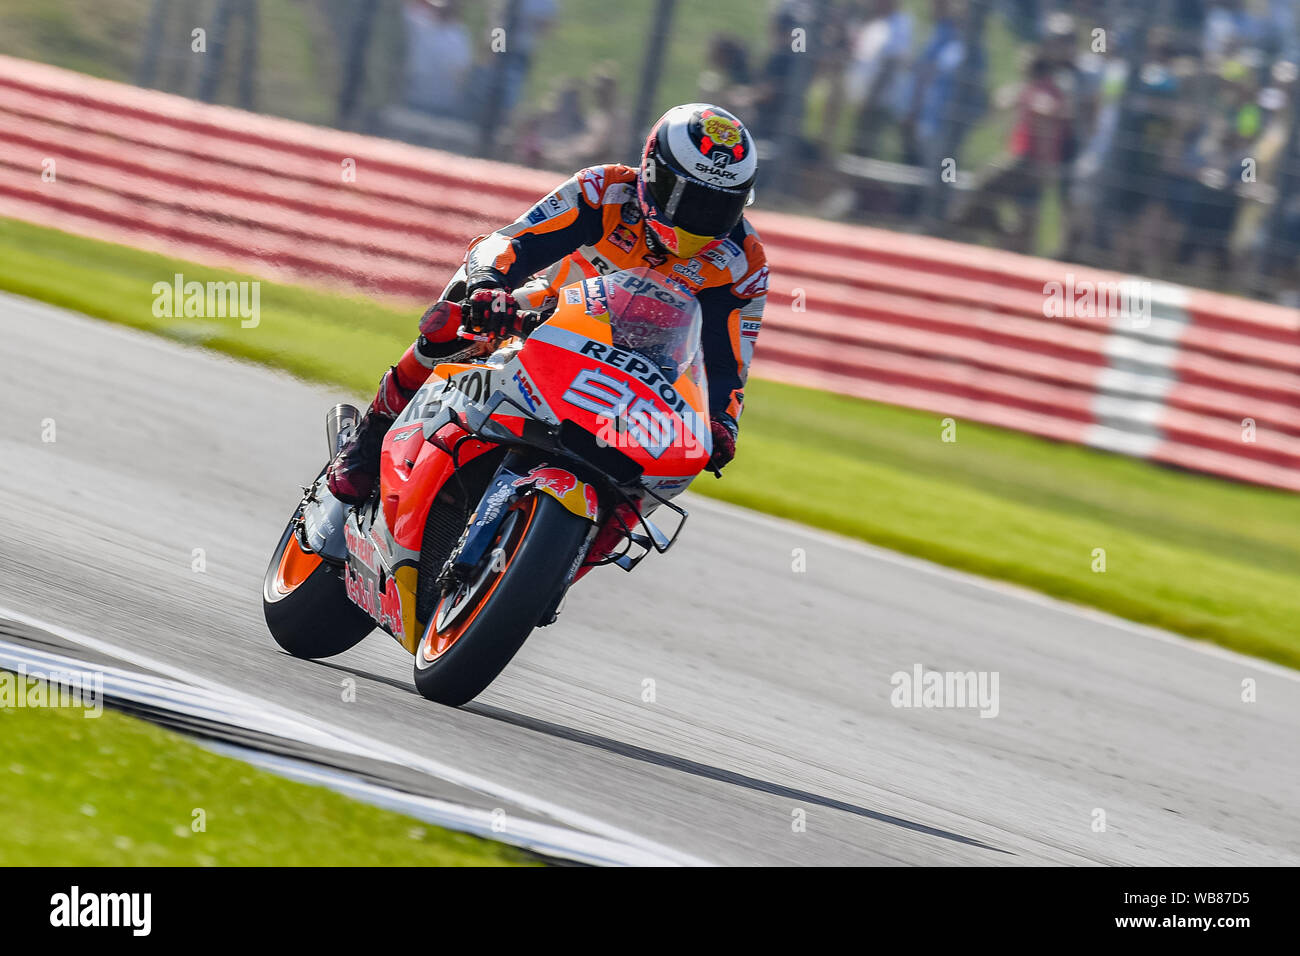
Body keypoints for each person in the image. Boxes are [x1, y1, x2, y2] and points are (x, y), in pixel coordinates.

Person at [326, 103, 769, 505]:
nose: (702, 218)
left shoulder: (741, 261)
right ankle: (371, 437)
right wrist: (488, 285)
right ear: (652, 172)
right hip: (542, 319)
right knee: (453, 315)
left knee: (666, 468)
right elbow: (512, 242)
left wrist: (721, 424)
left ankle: (582, 545)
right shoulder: (603, 191)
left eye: (720, 206)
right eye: (689, 198)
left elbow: (729, 361)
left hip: (644, 375)